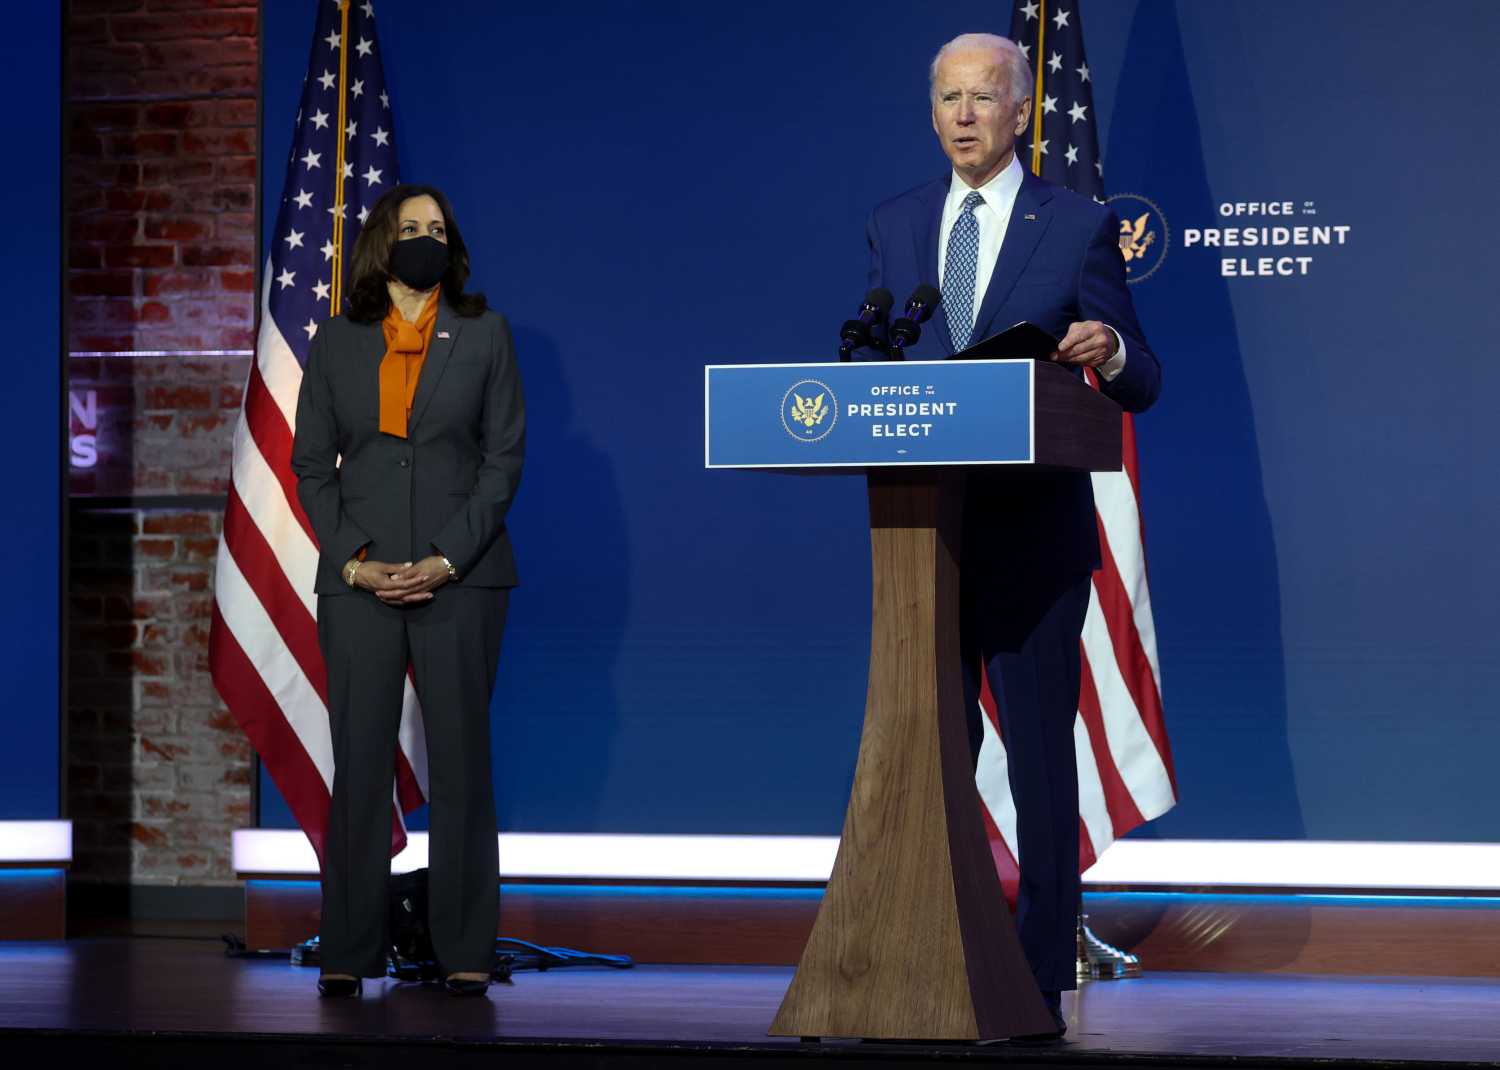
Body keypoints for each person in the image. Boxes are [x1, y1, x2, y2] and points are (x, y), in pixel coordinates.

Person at [857, 33, 1160, 1037]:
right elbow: (877, 355)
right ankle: (933, 942)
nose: (963, 115)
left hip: (1034, 536)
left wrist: (1110, 346)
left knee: (1037, 758)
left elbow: (1142, 375)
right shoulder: (897, 225)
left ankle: (1035, 975)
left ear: (1023, 108)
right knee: (929, 753)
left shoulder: (1077, 226)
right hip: (923, 540)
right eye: (947, 98)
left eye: (983, 97)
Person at [290, 184, 525, 998]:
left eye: (438, 228)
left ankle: (465, 946)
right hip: (358, 581)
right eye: (409, 227)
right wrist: (354, 561)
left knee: (463, 764)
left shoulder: (486, 335)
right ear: (381, 242)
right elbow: (311, 466)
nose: (425, 238)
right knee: (358, 764)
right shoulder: (337, 342)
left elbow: (503, 464)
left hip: (463, 578)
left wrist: (445, 559)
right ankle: (350, 950)